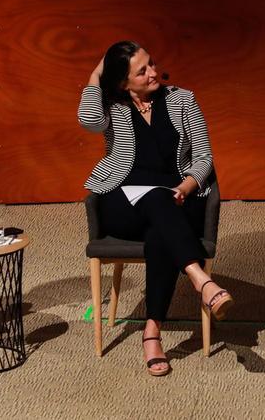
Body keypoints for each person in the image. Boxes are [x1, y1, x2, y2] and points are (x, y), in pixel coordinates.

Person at [78, 40, 230, 377]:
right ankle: (200, 279)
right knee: (154, 202)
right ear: (122, 83)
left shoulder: (182, 99)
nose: (153, 73)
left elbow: (204, 156)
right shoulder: (112, 105)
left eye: (152, 64)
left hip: (177, 198)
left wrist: (186, 186)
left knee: (162, 226)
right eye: (141, 70)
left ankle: (151, 332)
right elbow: (88, 120)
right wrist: (97, 71)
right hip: (123, 202)